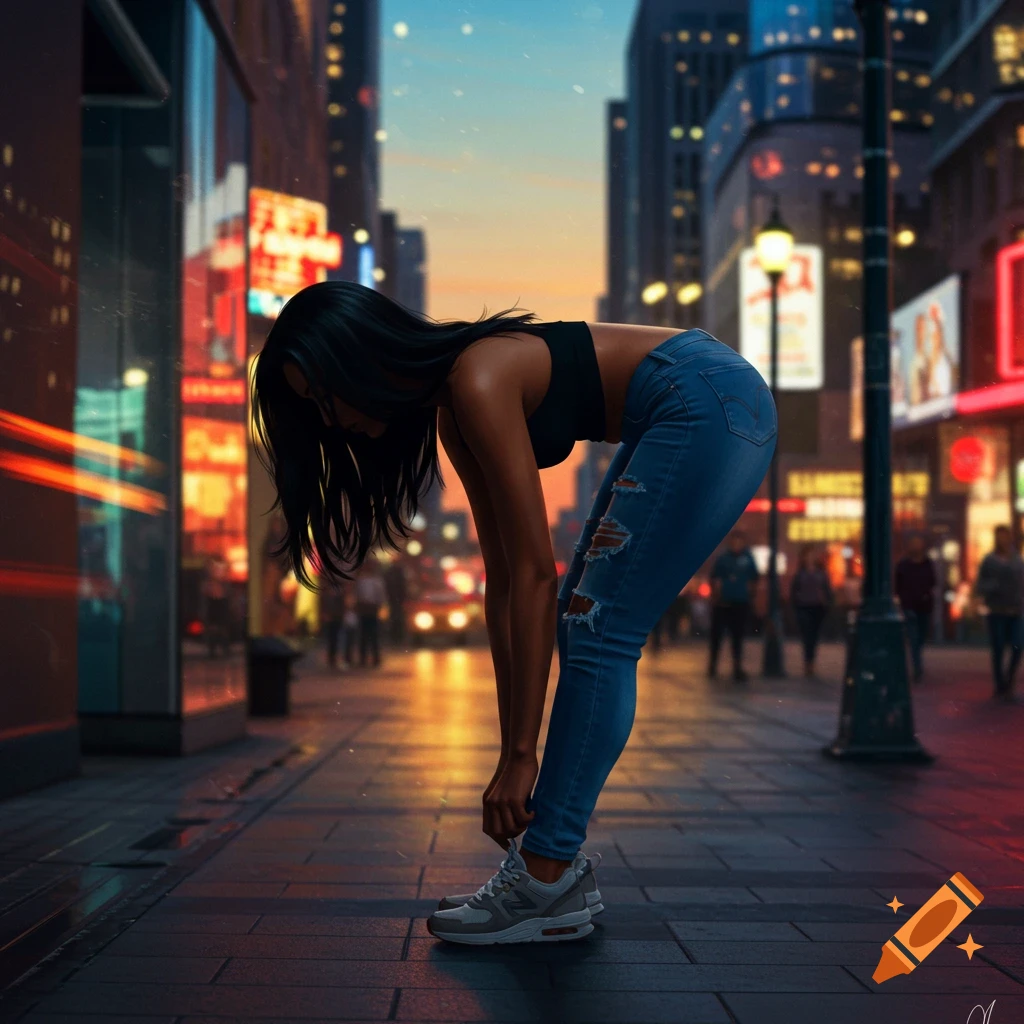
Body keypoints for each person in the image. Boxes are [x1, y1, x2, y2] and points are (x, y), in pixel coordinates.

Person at [251, 280, 775, 945]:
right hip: (689, 398)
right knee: (585, 622)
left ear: (358, 358)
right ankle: (549, 872)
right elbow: (503, 581)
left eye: (320, 395)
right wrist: (510, 750)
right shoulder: (455, 410)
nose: (327, 420)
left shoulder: (478, 377)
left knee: (599, 629)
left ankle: (547, 874)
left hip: (707, 397)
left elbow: (533, 572)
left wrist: (521, 759)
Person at [974, 525, 1024, 701]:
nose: (1004, 540)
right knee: (998, 648)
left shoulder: (1017, 559)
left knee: (1018, 646)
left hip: (1016, 610)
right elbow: (980, 584)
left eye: (1006, 536)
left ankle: (1009, 682)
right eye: (1000, 536)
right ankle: (1000, 685)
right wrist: (992, 587)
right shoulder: (989, 560)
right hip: (997, 610)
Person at [708, 530, 759, 682]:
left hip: (740, 602)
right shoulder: (723, 559)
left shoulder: (748, 559)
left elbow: (754, 578)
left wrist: (750, 595)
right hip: (723, 603)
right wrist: (717, 595)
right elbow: (715, 578)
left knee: (738, 637)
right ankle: (713, 665)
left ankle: (737, 667)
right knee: (717, 636)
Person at [894, 535, 936, 683]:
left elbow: (933, 581)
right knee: (913, 637)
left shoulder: (927, 563)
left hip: (924, 606)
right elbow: (897, 585)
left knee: (921, 636)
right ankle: (917, 667)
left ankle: (917, 663)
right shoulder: (903, 565)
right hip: (909, 605)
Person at [790, 545, 831, 677]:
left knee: (814, 636)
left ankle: (811, 661)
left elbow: (827, 590)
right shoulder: (800, 573)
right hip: (803, 606)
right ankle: (808, 663)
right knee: (807, 635)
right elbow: (794, 591)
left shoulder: (821, 573)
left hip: (818, 607)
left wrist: (827, 603)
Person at [353, 560, 387, 667]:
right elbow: (357, 595)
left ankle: (375, 658)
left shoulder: (376, 581)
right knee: (363, 636)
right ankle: (363, 658)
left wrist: (380, 607)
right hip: (364, 610)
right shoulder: (361, 580)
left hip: (373, 610)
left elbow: (381, 596)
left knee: (373, 635)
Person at [320, 574, 349, 670]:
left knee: (335, 638)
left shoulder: (338, 592)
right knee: (332, 638)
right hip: (332, 617)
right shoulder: (328, 592)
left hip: (337, 617)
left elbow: (342, 605)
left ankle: (334, 656)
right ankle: (332, 656)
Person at [384, 559, 408, 645]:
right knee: (395, 618)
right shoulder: (393, 573)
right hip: (394, 600)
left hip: (397, 600)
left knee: (397, 618)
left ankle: (397, 636)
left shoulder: (396, 573)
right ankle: (395, 636)